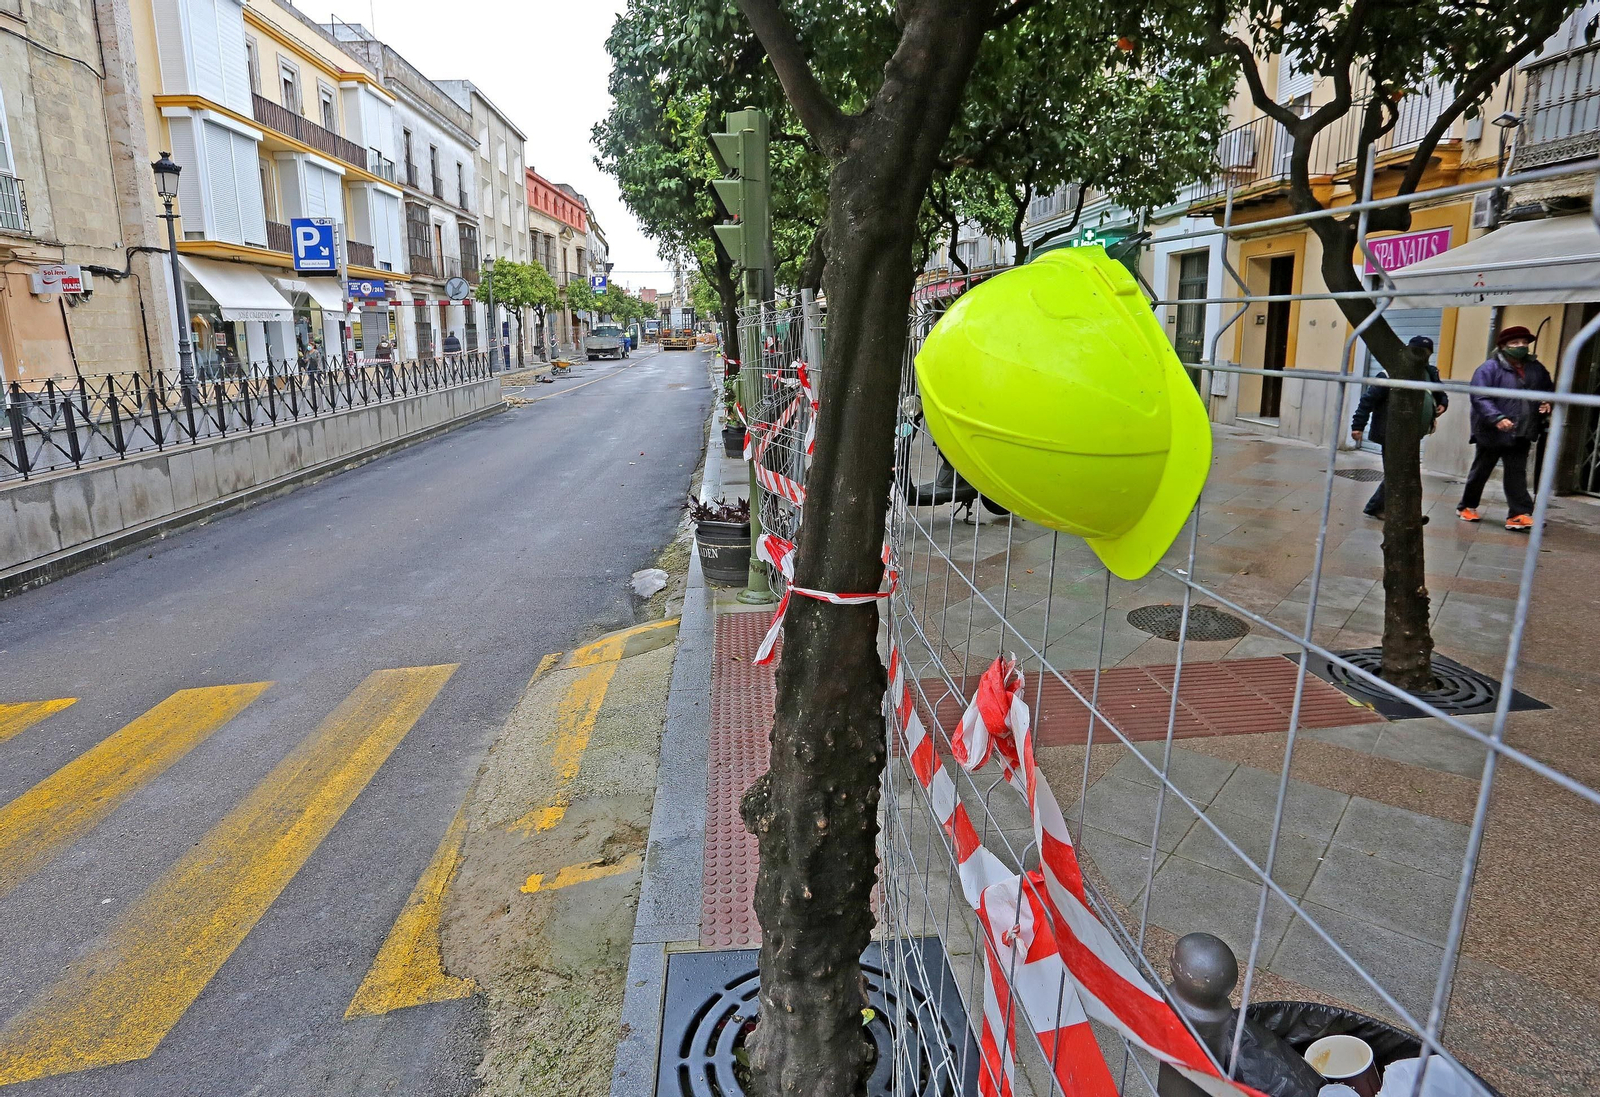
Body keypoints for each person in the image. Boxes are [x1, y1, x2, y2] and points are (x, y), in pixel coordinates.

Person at [1457, 325, 1555, 532]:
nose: (1521, 346)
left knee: (1516, 473)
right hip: (1492, 431)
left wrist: (1547, 401)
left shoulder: (1536, 368)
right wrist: (1497, 418)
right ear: (1503, 346)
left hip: (1522, 430)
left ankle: (1519, 514)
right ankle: (1467, 506)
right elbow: (1480, 396)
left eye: (1524, 343)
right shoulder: (1488, 369)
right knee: (1481, 470)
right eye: (1515, 343)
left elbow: (1547, 388)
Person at [1350, 335, 1448, 523]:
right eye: (1418, 351)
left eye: (1427, 353)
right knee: (1397, 472)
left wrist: (1443, 404)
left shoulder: (1430, 373)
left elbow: (1440, 393)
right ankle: (1381, 508)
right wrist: (1358, 426)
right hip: (1391, 433)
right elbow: (1367, 401)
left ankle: (1394, 510)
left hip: (1414, 433)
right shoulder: (1390, 374)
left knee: (1404, 472)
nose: (1422, 356)